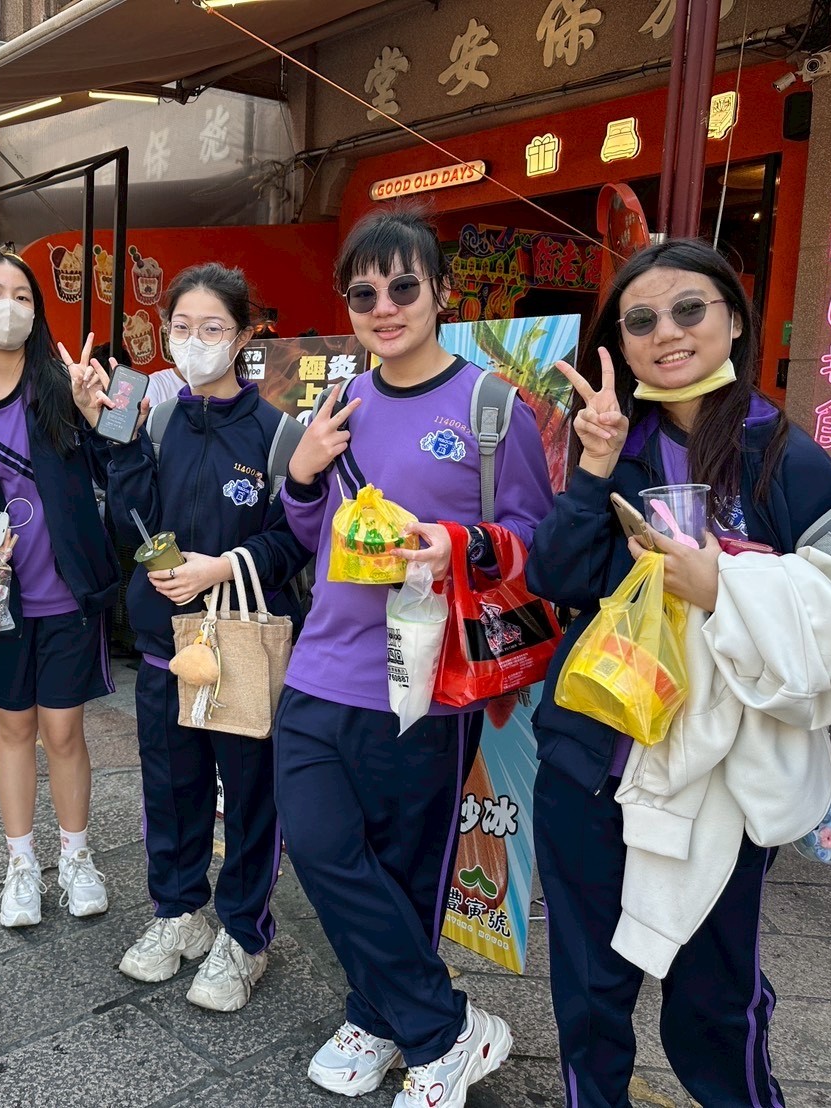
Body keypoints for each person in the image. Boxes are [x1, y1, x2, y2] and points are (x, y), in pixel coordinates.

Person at [526, 238, 831, 1108]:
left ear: (734, 319)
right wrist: (591, 468)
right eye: (640, 320)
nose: (666, 331)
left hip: (718, 784)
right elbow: (554, 579)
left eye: (688, 309)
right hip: (590, 762)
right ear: (619, 346)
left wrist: (722, 587)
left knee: (712, 999)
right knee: (588, 989)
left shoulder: (783, 456)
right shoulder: (611, 443)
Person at [274, 207, 553, 1105]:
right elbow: (308, 534)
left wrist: (454, 542)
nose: (384, 307)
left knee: (400, 865)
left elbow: (534, 540)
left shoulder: (489, 408)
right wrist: (303, 474)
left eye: (403, 286)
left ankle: (377, 1016)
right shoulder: (337, 406)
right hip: (321, 665)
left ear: (440, 292)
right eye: (363, 294)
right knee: (317, 846)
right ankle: (445, 1030)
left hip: (425, 681)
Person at [88, 263, 310, 1011]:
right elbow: (131, 525)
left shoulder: (278, 433)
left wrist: (226, 565)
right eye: (181, 327)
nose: (194, 341)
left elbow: (295, 538)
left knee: (248, 795)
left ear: (244, 336)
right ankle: (177, 912)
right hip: (166, 642)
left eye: (212, 328)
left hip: (243, 641)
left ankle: (244, 933)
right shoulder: (154, 421)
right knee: (171, 787)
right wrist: (119, 442)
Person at [0, 250, 119, 929]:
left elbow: (116, 465)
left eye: (21, 295)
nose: (8, 307)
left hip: (67, 591)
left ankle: (75, 856)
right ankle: (20, 864)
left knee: (64, 730)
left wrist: (97, 415)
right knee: (12, 726)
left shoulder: (62, 384)